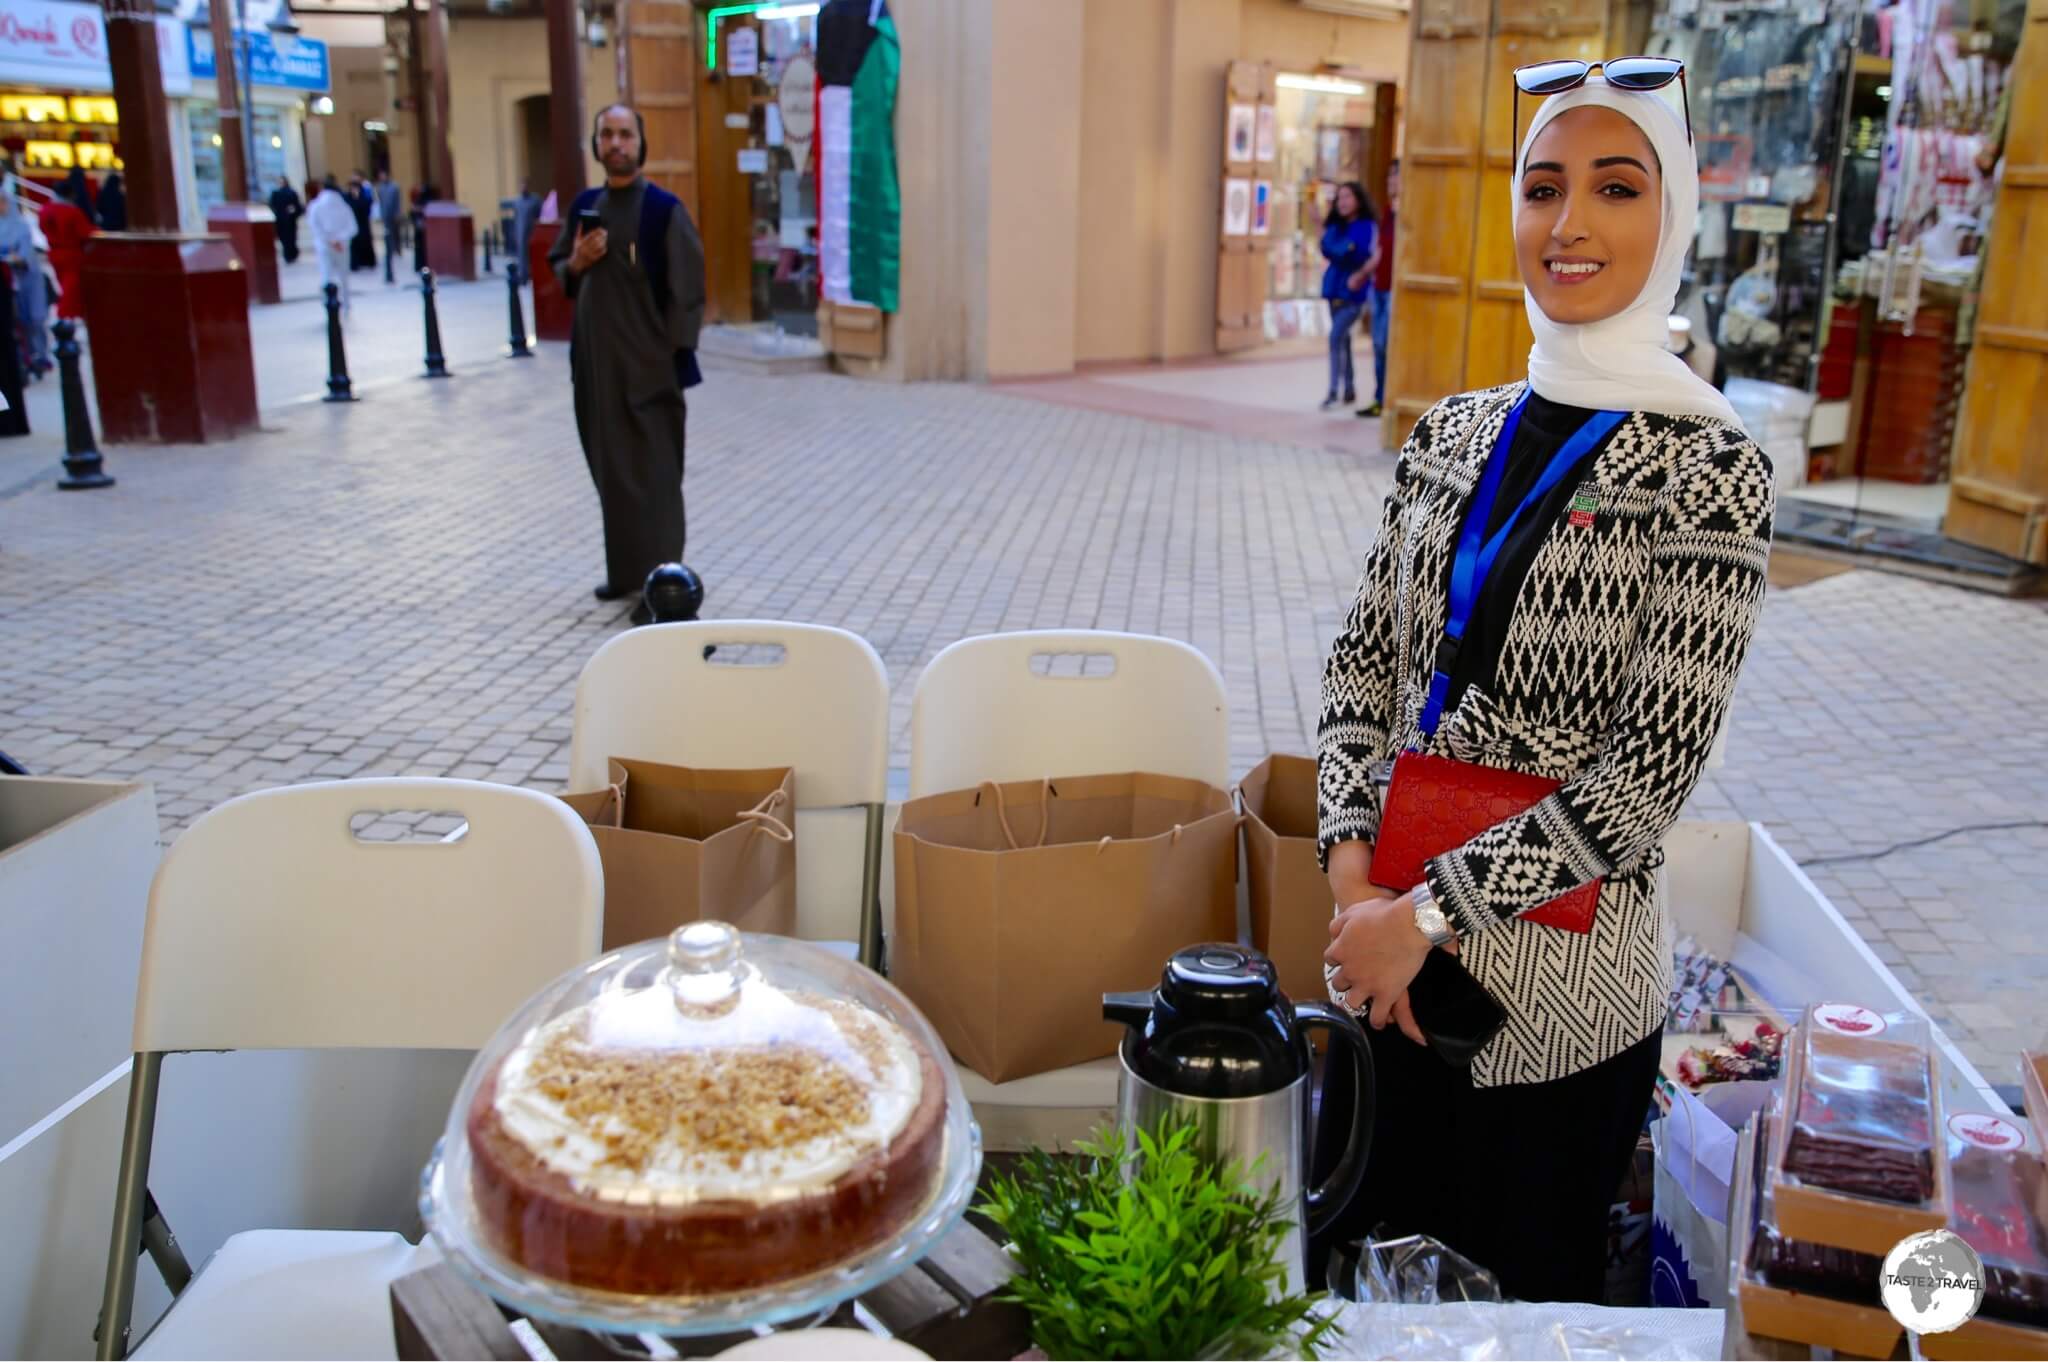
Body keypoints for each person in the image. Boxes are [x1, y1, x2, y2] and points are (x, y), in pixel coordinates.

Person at [1312, 66, 1772, 1303]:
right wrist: (1356, 881)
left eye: (1613, 188)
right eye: (1542, 186)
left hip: (1556, 1018)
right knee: (1357, 1297)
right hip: (1379, 977)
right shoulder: (1450, 432)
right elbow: (1362, 665)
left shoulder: (1710, 468)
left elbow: (1640, 783)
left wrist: (1419, 920)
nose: (1568, 223)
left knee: (1523, 1315)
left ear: (1667, 217)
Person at [549, 103, 706, 624]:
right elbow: (560, 270)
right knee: (611, 472)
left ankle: (662, 586)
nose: (616, 144)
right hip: (595, 371)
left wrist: (667, 360)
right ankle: (625, 573)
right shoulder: (584, 208)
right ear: (596, 146)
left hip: (649, 374)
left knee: (655, 480)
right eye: (607, 135)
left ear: (641, 144)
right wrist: (578, 261)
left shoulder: (663, 210)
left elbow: (688, 291)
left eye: (625, 135)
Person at [1318, 181, 1377, 410]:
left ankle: (1333, 390)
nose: (1342, 202)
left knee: (1335, 337)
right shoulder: (1336, 226)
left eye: (1347, 197)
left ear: (1358, 200)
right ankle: (1349, 387)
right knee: (1343, 338)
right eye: (1339, 198)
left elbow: (1352, 251)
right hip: (1334, 290)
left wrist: (1340, 249)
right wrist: (1341, 248)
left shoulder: (1366, 226)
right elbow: (1328, 247)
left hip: (1354, 293)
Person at [1358, 159, 1398, 419]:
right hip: (1380, 288)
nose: (1391, 183)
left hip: (1396, 290)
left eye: (1396, 177)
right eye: (1389, 179)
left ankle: (1388, 400)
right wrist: (1364, 274)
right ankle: (1379, 397)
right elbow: (1380, 251)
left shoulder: (1407, 214)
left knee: (1387, 344)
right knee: (1378, 345)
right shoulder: (1387, 212)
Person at [0, 191, 50, 378]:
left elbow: (25, 253)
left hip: (28, 277)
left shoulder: (22, 226)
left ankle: (41, 355)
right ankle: (28, 358)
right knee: (19, 322)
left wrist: (14, 258)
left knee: (36, 319)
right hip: (8, 281)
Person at [39, 179, 95, 321]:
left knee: (65, 285)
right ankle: (64, 317)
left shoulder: (45, 210)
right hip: (72, 254)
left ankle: (68, 316)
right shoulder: (72, 212)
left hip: (54, 252)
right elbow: (85, 232)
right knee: (72, 288)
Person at [307, 176, 358, 312]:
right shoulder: (344, 205)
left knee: (327, 275)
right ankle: (346, 303)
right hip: (342, 245)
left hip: (325, 245)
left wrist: (329, 240)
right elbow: (352, 227)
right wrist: (339, 239)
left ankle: (329, 304)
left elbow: (314, 226)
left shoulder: (315, 206)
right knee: (343, 276)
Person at [269, 175, 304, 264]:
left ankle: (291, 254)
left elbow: (296, 206)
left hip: (288, 219)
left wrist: (293, 212)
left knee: (290, 238)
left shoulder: (291, 193)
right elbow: (272, 206)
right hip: (282, 220)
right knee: (285, 238)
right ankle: (289, 254)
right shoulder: (276, 193)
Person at [346, 174, 376, 271]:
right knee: (354, 244)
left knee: (365, 242)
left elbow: (367, 205)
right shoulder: (347, 197)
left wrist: (358, 198)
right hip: (352, 223)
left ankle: (367, 262)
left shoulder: (364, 196)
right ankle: (356, 263)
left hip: (363, 223)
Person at [374, 168, 403, 262]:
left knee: (396, 232)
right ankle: (391, 249)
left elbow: (398, 201)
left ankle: (398, 249)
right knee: (388, 232)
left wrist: (398, 212)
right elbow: (380, 201)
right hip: (385, 213)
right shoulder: (381, 187)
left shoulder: (394, 187)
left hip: (394, 212)